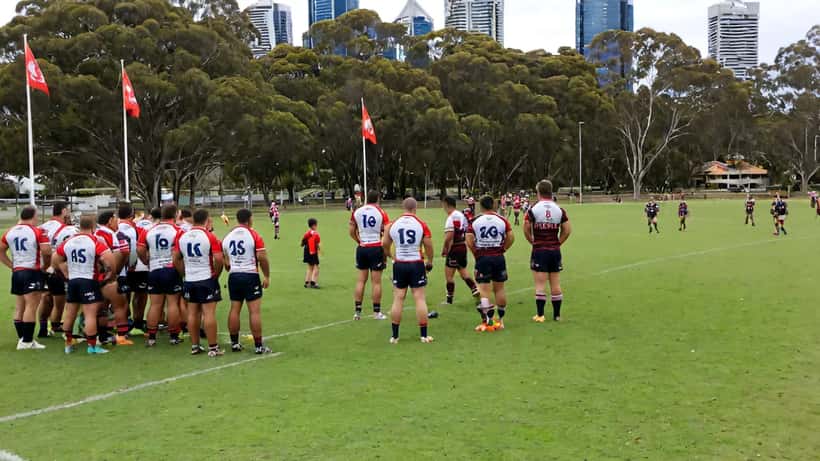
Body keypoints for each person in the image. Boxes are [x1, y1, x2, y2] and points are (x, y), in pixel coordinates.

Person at [53, 215, 116, 354]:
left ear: (79, 226)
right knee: (90, 314)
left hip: (73, 281)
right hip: (88, 280)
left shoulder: (69, 241)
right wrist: (109, 274)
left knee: (70, 314)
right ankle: (92, 347)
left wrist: (63, 272)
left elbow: (55, 259)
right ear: (93, 226)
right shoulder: (95, 241)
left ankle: (68, 344)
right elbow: (109, 259)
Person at [383, 198, 434, 344]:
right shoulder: (421, 224)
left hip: (400, 264)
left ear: (403, 207)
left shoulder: (393, 224)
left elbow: (385, 244)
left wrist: (391, 256)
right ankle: (424, 335)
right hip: (416, 263)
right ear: (415, 208)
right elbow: (428, 245)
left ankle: (395, 336)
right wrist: (429, 261)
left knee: (398, 298)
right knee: (419, 298)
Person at [0, 206, 52, 350]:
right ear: (33, 216)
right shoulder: (37, 231)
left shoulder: (10, 231)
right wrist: (45, 266)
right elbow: (47, 252)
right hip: (31, 271)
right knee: (31, 305)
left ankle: (23, 339)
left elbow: (1, 250)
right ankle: (27, 341)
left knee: (19, 306)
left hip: (17, 272)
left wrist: (12, 265)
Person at [174, 209, 224, 357]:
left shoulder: (183, 236)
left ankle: (195, 345)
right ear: (207, 220)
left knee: (193, 313)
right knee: (209, 313)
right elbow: (219, 259)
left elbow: (176, 258)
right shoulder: (209, 236)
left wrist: (184, 272)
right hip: (206, 278)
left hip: (190, 279)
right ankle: (213, 348)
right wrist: (216, 274)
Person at [222, 209, 272, 354]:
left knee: (234, 309)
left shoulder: (228, 236)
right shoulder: (254, 235)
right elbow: (262, 257)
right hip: (250, 275)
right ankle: (258, 346)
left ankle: (234, 343)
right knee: (254, 311)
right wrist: (267, 276)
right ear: (249, 219)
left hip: (234, 275)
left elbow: (226, 263)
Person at [524, 180, 572, 322]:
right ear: (551, 191)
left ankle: (540, 315)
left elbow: (526, 227)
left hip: (540, 250)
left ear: (538, 192)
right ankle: (557, 315)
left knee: (540, 284)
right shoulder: (559, 209)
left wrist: (532, 241)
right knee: (555, 283)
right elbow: (567, 230)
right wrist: (558, 242)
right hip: (554, 250)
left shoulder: (533, 209)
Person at [138, 204, 185, 346]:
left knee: (155, 305)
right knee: (172, 304)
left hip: (154, 270)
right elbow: (179, 253)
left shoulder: (149, 230)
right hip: (171, 269)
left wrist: (146, 261)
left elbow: (140, 248)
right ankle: (173, 336)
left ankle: (151, 337)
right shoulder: (178, 231)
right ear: (175, 214)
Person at [466, 196, 515, 332]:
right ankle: (501, 320)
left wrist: (476, 253)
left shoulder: (475, 220)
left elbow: (469, 239)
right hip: (498, 257)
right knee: (499, 289)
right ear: (493, 205)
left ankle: (488, 322)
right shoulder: (502, 220)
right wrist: (503, 249)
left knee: (484, 290)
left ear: (480, 206)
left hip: (483, 256)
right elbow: (511, 237)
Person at [95, 211, 134, 346]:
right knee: (120, 305)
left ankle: (102, 336)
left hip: (96, 277)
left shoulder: (95, 233)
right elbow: (120, 253)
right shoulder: (110, 234)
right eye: (115, 219)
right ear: (109, 220)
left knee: (102, 308)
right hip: (108, 276)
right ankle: (121, 336)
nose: (117, 222)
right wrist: (113, 273)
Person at [349, 191, 389, 320]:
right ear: (377, 199)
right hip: (376, 247)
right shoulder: (381, 212)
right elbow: (387, 231)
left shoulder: (357, 212)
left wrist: (359, 241)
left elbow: (351, 231)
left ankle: (357, 312)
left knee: (361, 280)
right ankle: (376, 313)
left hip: (362, 248)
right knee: (376, 282)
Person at [37, 201, 70, 338]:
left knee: (45, 297)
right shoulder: (67, 229)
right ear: (63, 211)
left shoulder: (41, 227)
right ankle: (55, 326)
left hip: (41, 268)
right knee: (59, 300)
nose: (69, 213)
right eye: (68, 210)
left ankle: (43, 328)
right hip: (56, 268)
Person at [441, 196, 479, 305]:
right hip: (462, 246)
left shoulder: (451, 217)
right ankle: (474, 288)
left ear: (446, 204)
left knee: (449, 276)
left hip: (454, 248)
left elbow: (449, 236)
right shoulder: (461, 215)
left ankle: (449, 300)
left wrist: (445, 248)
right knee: (462, 271)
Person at [301, 218, 321, 289]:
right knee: (316, 267)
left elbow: (303, 241)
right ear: (314, 225)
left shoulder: (307, 233)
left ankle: (307, 282)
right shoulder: (316, 234)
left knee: (309, 267)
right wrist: (319, 249)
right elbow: (317, 243)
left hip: (306, 250)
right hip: (313, 251)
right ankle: (313, 282)